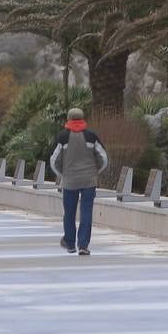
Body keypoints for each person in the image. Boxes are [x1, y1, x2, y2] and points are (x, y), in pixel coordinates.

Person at [48, 107, 108, 255]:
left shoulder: (62, 137)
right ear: (82, 119)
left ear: (68, 119)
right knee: (86, 211)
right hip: (89, 181)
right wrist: (95, 172)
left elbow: (54, 160)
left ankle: (69, 244)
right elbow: (104, 159)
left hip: (70, 181)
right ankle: (83, 245)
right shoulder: (91, 136)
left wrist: (63, 175)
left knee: (69, 212)